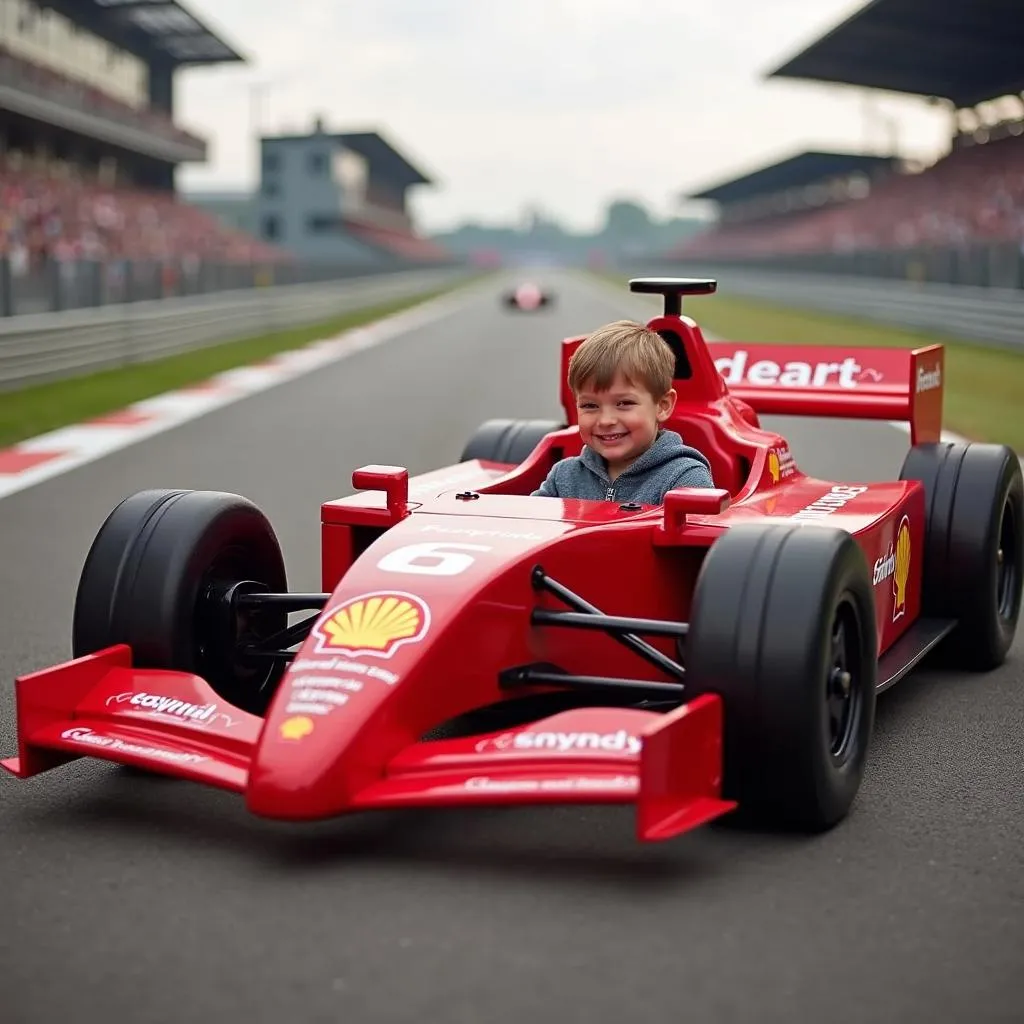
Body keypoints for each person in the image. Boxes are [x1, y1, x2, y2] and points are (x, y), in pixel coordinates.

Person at [532, 319, 715, 504]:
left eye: (624, 403)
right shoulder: (564, 476)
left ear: (662, 405)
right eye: (590, 406)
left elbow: (698, 529)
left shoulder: (684, 477)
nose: (605, 420)